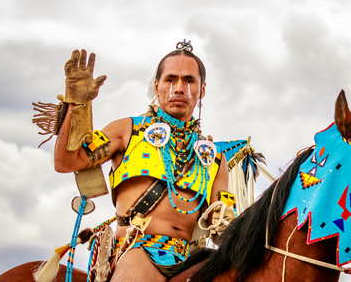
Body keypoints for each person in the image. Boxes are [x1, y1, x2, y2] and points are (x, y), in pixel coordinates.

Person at [53, 41, 230, 282]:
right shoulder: (127, 131)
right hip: (136, 251)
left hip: (191, 259)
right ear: (157, 86)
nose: (179, 88)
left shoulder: (215, 158)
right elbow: (66, 161)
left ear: (202, 89)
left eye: (189, 80)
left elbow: (223, 224)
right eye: (171, 79)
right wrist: (76, 104)